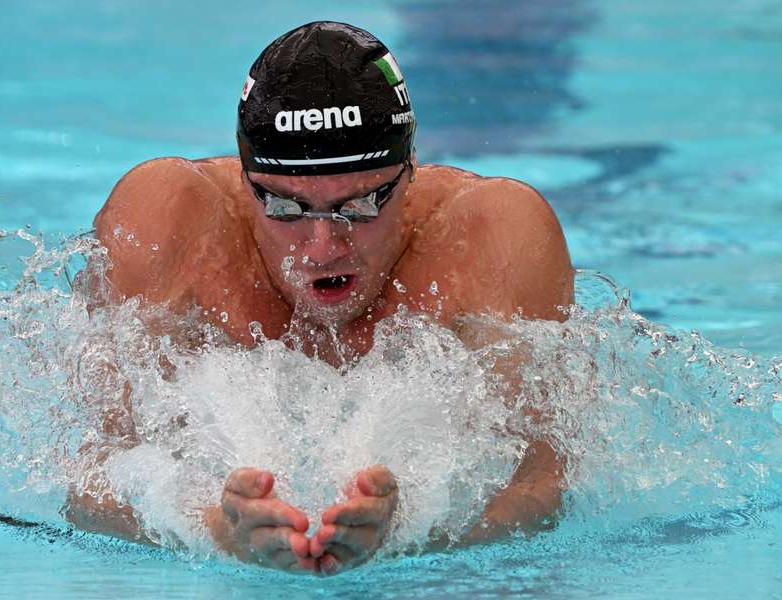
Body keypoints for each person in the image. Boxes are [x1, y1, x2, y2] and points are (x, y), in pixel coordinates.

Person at [64, 21, 574, 576]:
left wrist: (415, 533)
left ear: (410, 175)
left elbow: (544, 483)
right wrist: (211, 529)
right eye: (284, 207)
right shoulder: (171, 226)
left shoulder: (493, 237)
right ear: (244, 179)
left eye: (359, 206)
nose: (322, 247)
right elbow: (92, 480)